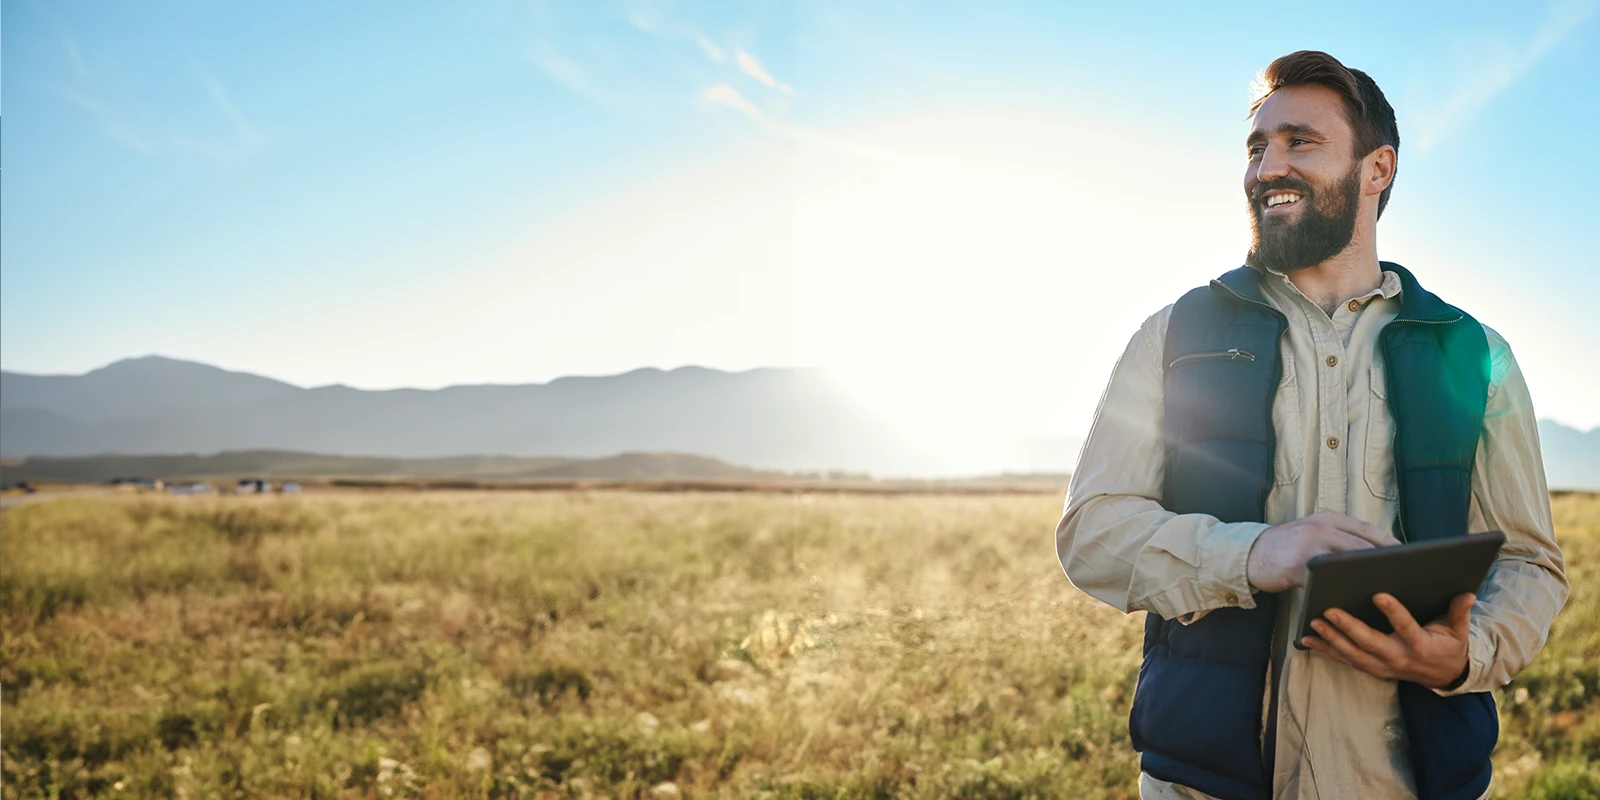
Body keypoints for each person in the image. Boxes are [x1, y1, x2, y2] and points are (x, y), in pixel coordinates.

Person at [1053, 50, 1568, 800]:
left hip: (1412, 782)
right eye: (1257, 147)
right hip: (1206, 785)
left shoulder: (1474, 354)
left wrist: (1464, 654)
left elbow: (1530, 563)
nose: (1267, 168)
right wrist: (1252, 553)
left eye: (1300, 142)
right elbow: (1091, 532)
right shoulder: (1173, 336)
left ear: (1376, 169)